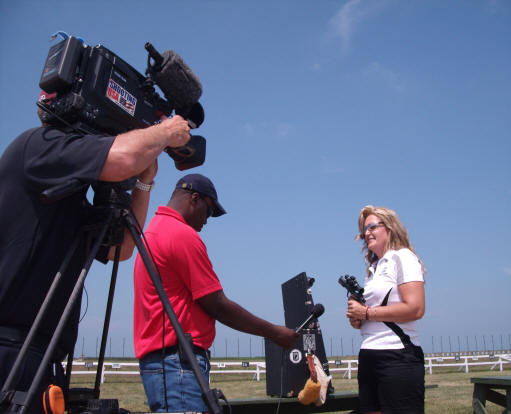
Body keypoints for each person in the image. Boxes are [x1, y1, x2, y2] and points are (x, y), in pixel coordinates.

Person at [0, 91, 190, 413]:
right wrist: (166, 131)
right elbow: (123, 158)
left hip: (41, 357)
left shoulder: (67, 197)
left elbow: (121, 249)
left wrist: (143, 185)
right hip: (10, 351)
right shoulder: (38, 144)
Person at [133, 173, 299, 413]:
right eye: (209, 212)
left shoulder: (153, 231)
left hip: (161, 363)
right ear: (194, 199)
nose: (207, 221)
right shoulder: (181, 235)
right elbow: (218, 305)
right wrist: (274, 333)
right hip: (178, 363)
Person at [346, 205, 426, 414]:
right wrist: (356, 317)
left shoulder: (403, 257)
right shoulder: (373, 269)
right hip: (369, 355)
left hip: (398, 356)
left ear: (389, 228)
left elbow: (415, 308)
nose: (367, 233)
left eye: (372, 226)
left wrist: (366, 313)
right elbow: (368, 318)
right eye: (364, 230)